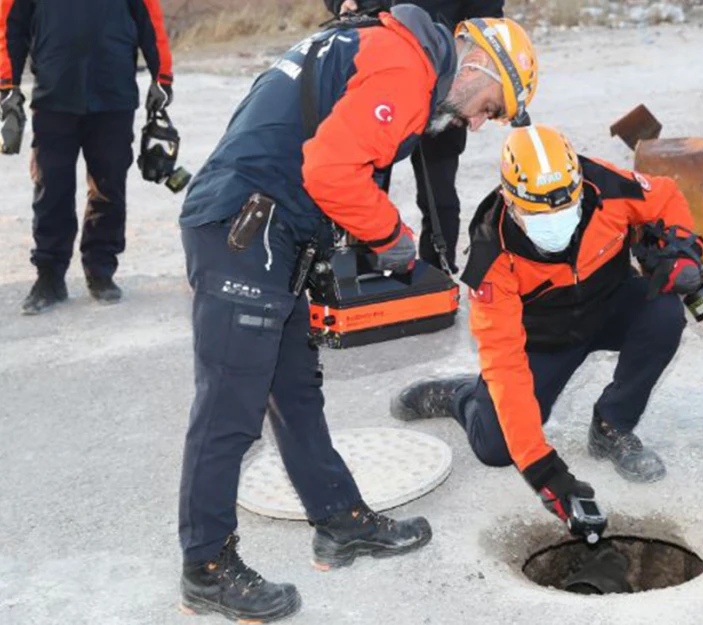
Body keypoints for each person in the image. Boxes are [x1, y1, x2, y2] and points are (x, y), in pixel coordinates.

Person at [175, 6, 537, 622]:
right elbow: (331, 170)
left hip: (264, 226)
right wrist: (392, 238)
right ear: (476, 65)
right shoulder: (404, 66)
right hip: (247, 228)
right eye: (493, 107)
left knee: (293, 389)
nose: (480, 124)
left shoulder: (373, 43)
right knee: (230, 410)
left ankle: (340, 521)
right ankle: (205, 568)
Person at [391, 125, 703, 533]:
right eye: (539, 213)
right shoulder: (491, 254)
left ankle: (613, 426)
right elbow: (506, 363)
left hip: (609, 302)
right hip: (544, 340)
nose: (555, 221)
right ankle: (462, 394)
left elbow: (665, 196)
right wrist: (546, 475)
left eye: (564, 208)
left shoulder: (606, 185)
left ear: (578, 186)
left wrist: (682, 252)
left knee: (664, 314)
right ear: (510, 200)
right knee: (497, 449)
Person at [0, 0, 175, 314]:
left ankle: (100, 270)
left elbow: (150, 20)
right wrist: (7, 84)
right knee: (51, 187)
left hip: (114, 95)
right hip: (54, 96)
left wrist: (161, 77)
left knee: (109, 187)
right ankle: (49, 276)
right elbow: (9, 24)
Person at [325, 0, 506, 272]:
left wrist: (473, 75)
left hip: (449, 80)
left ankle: (438, 275)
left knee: (439, 193)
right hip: (379, 69)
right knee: (361, 181)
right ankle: (359, 274)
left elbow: (490, 19)